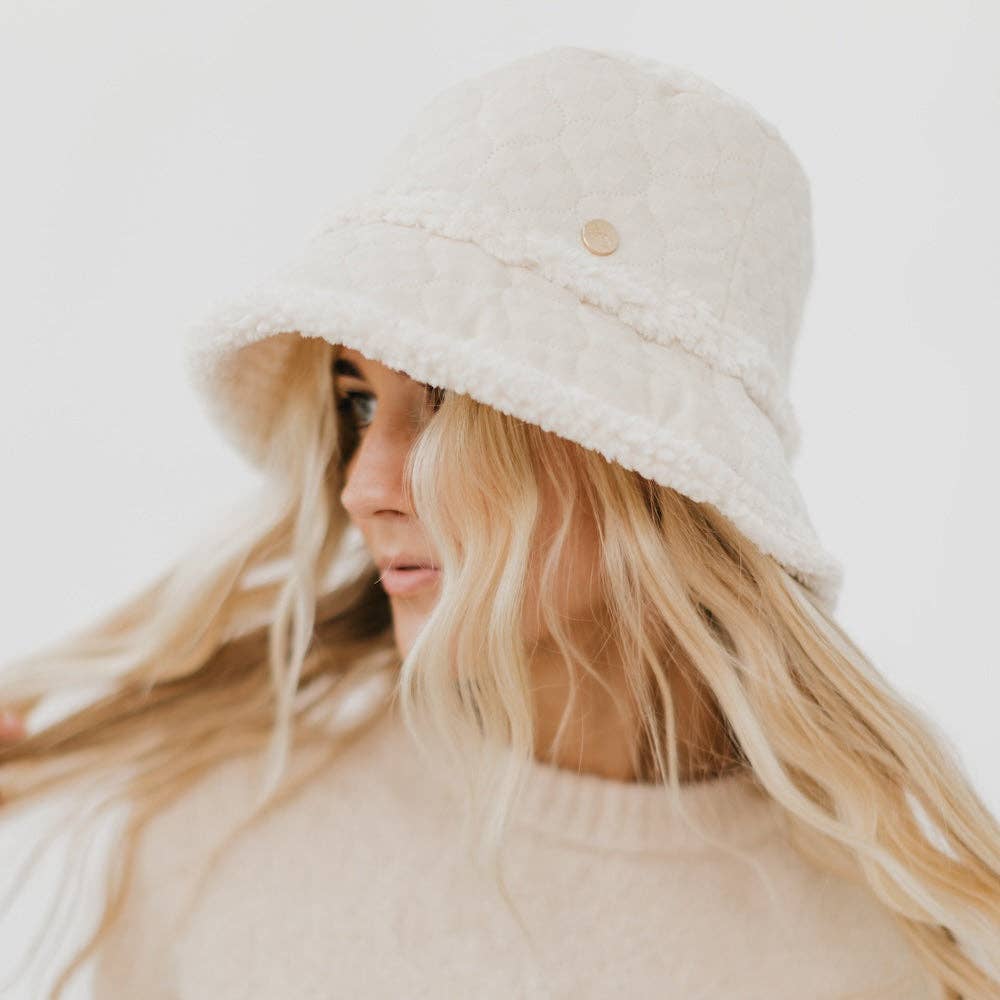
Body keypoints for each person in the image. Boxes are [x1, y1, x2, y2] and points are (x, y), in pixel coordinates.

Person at [1, 45, 998, 1000]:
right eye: (358, 402)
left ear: (645, 468)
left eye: (445, 400)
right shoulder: (215, 839)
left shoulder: (896, 948)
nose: (363, 487)